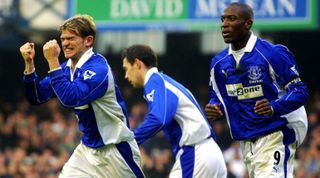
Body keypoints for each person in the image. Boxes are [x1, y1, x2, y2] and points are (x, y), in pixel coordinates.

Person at [19, 15, 144, 178]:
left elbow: (71, 98)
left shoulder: (98, 69)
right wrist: (29, 65)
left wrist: (53, 61)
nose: (64, 43)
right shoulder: (66, 68)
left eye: (71, 38)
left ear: (88, 41)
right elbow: (36, 97)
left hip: (117, 151)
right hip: (87, 151)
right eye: (63, 39)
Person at [204, 2, 309, 178]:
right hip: (247, 140)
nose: (224, 24)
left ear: (248, 23)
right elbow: (217, 95)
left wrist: (274, 106)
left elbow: (300, 90)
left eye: (232, 19)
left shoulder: (272, 54)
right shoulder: (218, 63)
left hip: (278, 131)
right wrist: (215, 106)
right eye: (223, 19)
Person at [121, 44, 227, 178]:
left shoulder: (155, 82)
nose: (125, 75)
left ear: (137, 63)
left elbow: (158, 119)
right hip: (210, 153)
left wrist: (129, 140)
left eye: (126, 69)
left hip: (195, 154)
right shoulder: (167, 83)